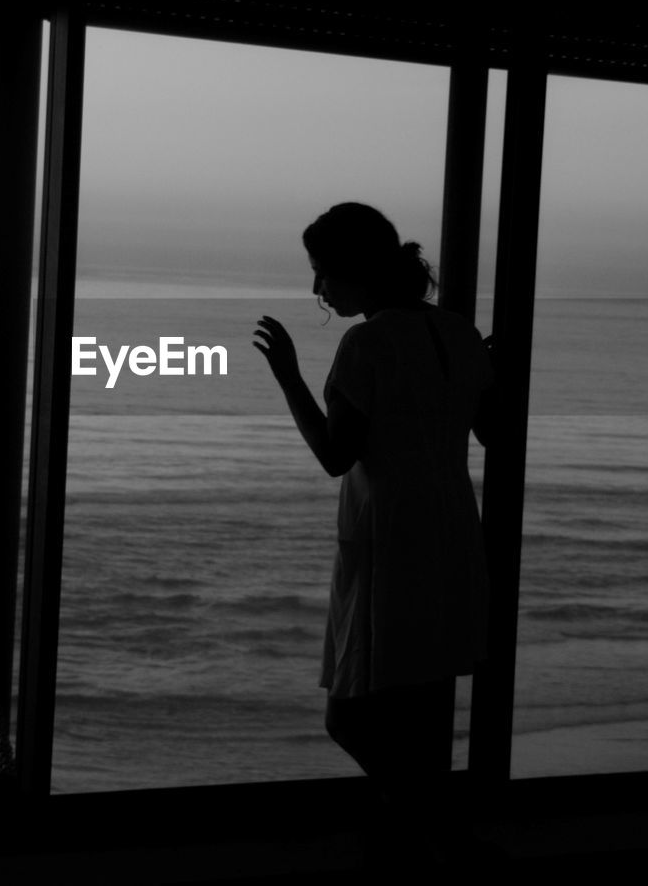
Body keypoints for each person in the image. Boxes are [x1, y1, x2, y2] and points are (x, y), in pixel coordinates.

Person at [253, 202, 493, 855]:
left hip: (391, 539)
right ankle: (417, 824)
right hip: (450, 531)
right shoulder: (457, 332)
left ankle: (431, 822)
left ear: (355, 272)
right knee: (417, 704)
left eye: (321, 272)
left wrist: (289, 379)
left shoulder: (368, 344)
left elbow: (336, 454)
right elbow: (492, 429)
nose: (316, 289)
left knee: (351, 711)